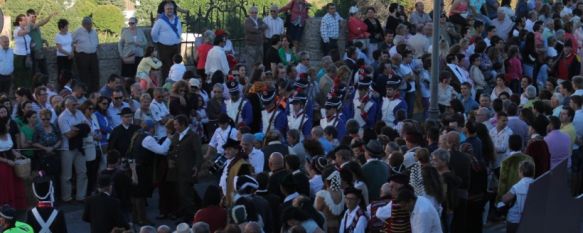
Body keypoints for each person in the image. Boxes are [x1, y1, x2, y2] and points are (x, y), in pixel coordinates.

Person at [168, 115, 203, 220]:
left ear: (182, 124)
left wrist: (197, 166)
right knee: (184, 192)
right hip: (177, 171)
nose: (174, 127)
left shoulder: (193, 136)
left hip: (187, 170)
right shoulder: (176, 136)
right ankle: (195, 211)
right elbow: (172, 150)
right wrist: (170, 157)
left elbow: (198, 153)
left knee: (185, 194)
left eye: (176, 124)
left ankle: (190, 216)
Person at [58, 96, 90, 203]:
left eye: (76, 104)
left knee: (82, 172)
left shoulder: (79, 113)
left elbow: (88, 126)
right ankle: (66, 198)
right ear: (67, 105)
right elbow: (68, 135)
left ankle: (81, 196)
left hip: (79, 147)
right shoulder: (62, 117)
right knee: (67, 175)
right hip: (67, 148)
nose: (76, 106)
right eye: (73, 105)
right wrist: (81, 128)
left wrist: (77, 128)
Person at [501, 160, 535, 233]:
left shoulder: (517, 186)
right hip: (531, 219)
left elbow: (504, 199)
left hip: (515, 220)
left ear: (521, 172)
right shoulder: (537, 183)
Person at [151, 2, 182, 81]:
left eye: (171, 9)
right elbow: (153, 33)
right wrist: (157, 41)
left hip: (176, 46)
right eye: (167, 9)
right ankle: (166, 85)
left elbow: (180, 31)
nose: (169, 10)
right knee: (166, 67)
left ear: (173, 10)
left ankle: (176, 82)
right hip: (164, 47)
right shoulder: (160, 21)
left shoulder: (177, 20)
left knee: (176, 65)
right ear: (164, 10)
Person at [73, 17, 100, 92]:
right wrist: (75, 50)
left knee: (95, 74)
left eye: (91, 24)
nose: (90, 26)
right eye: (89, 24)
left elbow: (97, 42)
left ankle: (95, 90)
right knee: (84, 75)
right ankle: (86, 91)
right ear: (84, 24)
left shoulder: (94, 31)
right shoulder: (78, 31)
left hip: (93, 55)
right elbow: (71, 41)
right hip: (82, 56)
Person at [315, 168, 345, 232]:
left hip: (326, 228)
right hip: (339, 227)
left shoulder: (322, 195)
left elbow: (316, 214)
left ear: (325, 181)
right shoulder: (343, 193)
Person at [243, 6, 267, 72]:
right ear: (249, 13)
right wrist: (260, 29)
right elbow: (251, 29)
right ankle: (250, 80)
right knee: (251, 64)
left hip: (260, 45)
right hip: (251, 46)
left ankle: (259, 79)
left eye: (256, 12)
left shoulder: (259, 20)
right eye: (252, 12)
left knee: (260, 63)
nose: (254, 14)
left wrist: (257, 28)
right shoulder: (247, 21)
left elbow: (265, 26)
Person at [12, 14, 32, 89]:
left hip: (26, 55)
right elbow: (27, 30)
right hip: (19, 56)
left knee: (28, 75)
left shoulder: (24, 30)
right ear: (19, 22)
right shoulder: (16, 31)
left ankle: (26, 92)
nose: (26, 21)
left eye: (26, 20)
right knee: (19, 76)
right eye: (24, 20)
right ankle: (19, 93)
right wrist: (29, 21)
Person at [54, 19, 73, 87]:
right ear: (62, 27)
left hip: (70, 57)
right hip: (62, 57)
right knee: (62, 74)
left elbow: (72, 44)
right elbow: (60, 49)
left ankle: (69, 87)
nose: (67, 27)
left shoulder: (70, 34)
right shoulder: (58, 36)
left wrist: (72, 52)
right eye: (66, 26)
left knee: (69, 73)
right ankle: (62, 87)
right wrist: (69, 54)